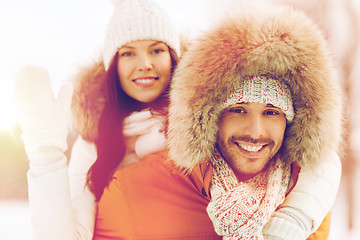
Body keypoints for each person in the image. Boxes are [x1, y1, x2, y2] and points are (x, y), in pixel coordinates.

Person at [94, 5, 343, 240]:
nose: (255, 132)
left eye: (271, 112)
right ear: (209, 117)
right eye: (238, 109)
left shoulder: (304, 200)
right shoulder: (135, 192)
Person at [13, 0, 181, 239]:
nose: (144, 65)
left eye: (156, 50)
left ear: (173, 57)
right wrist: (45, 151)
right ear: (113, 66)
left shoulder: (205, 125)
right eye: (128, 53)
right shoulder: (94, 144)